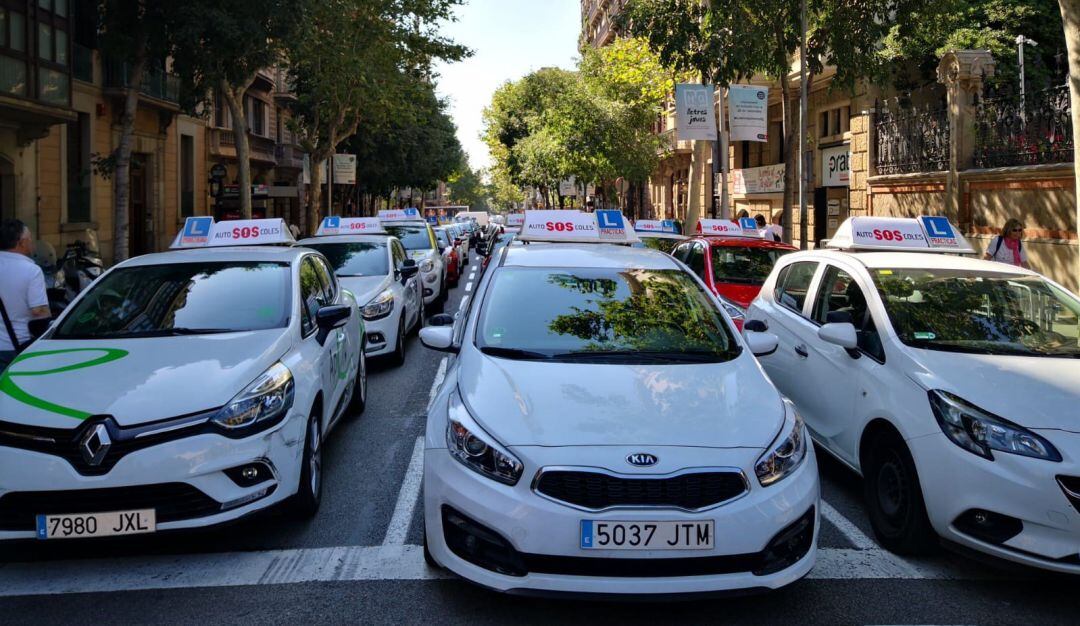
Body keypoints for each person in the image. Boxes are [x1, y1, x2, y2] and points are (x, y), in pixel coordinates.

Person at [0, 219, 50, 372]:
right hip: (17, 346)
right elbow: (39, 312)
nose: (31, 242)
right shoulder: (31, 270)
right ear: (21, 243)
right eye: (29, 239)